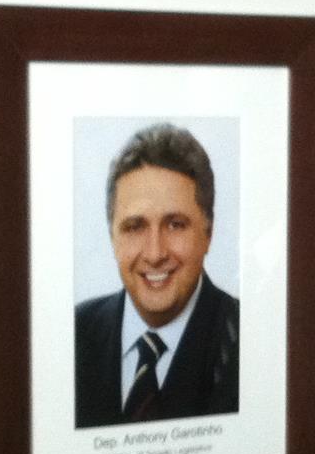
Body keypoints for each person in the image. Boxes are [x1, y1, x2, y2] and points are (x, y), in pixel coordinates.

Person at [75, 123, 239, 429]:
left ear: (208, 232)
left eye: (175, 224)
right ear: (112, 236)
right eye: (135, 226)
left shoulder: (248, 343)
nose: (154, 253)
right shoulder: (72, 335)